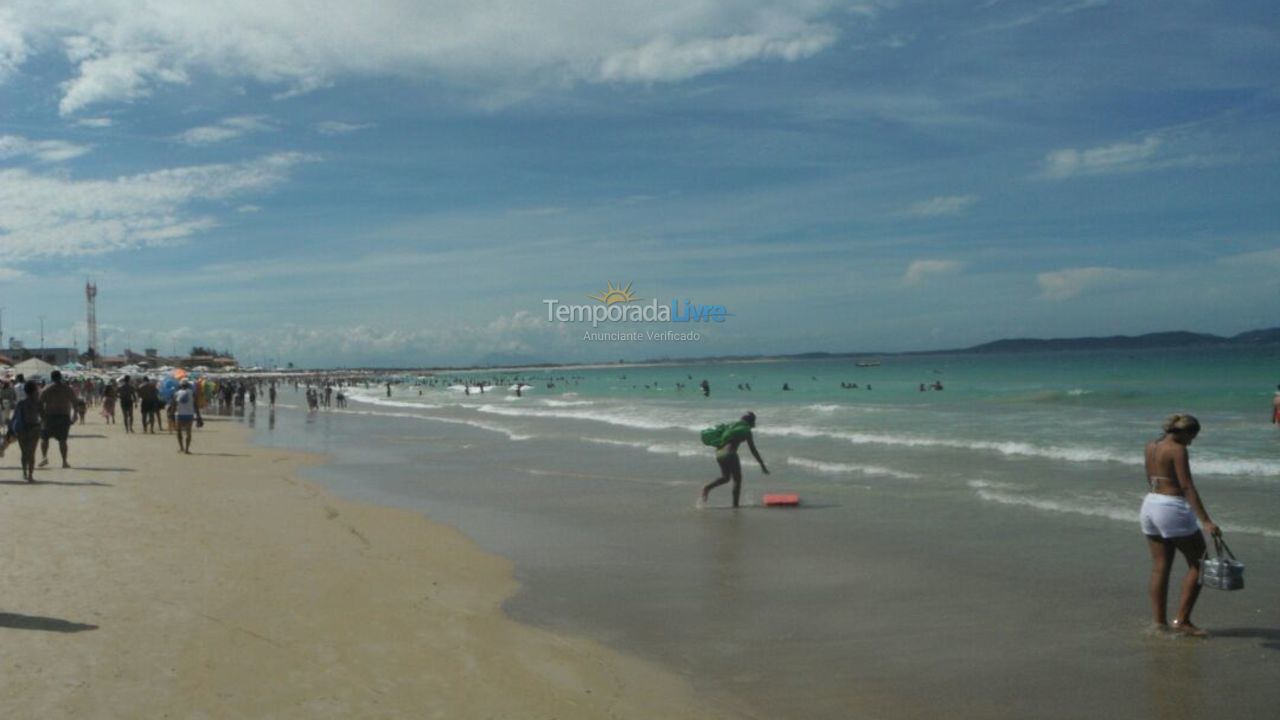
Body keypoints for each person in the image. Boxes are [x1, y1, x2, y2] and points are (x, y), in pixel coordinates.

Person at [1141, 414, 1220, 637]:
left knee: (1160, 567)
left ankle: (1159, 623)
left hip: (1150, 505)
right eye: (1192, 436)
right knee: (1201, 563)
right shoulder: (1177, 449)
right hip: (1172, 507)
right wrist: (1206, 520)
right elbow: (1187, 486)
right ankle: (1182, 621)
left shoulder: (1151, 446)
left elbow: (1151, 477)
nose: (1191, 442)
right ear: (1184, 432)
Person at [700, 411, 769, 508]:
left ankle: (707, 487)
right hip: (730, 454)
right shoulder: (746, 431)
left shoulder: (731, 426)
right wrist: (762, 465)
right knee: (737, 480)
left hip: (719, 454)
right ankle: (735, 505)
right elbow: (753, 450)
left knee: (726, 478)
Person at [39, 370, 77, 469]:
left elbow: (40, 403)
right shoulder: (67, 388)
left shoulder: (46, 389)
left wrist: (41, 416)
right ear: (60, 377)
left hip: (49, 416)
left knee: (44, 438)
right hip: (64, 416)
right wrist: (75, 414)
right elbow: (74, 402)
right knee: (63, 440)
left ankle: (44, 457)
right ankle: (64, 462)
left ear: (51, 378)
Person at [10, 380, 43, 481]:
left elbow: (14, 418)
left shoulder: (21, 403)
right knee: (31, 453)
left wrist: (10, 430)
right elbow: (43, 416)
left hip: (22, 430)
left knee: (24, 452)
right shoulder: (38, 403)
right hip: (34, 429)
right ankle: (30, 475)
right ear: (34, 391)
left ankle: (24, 472)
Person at [173, 380, 201, 454]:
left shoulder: (176, 393)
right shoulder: (193, 393)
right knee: (188, 432)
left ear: (181, 386)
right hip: (189, 415)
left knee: (179, 432)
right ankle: (187, 449)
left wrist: (171, 414)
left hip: (179, 414)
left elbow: (174, 405)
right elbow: (196, 406)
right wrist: (198, 416)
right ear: (188, 386)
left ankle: (181, 447)